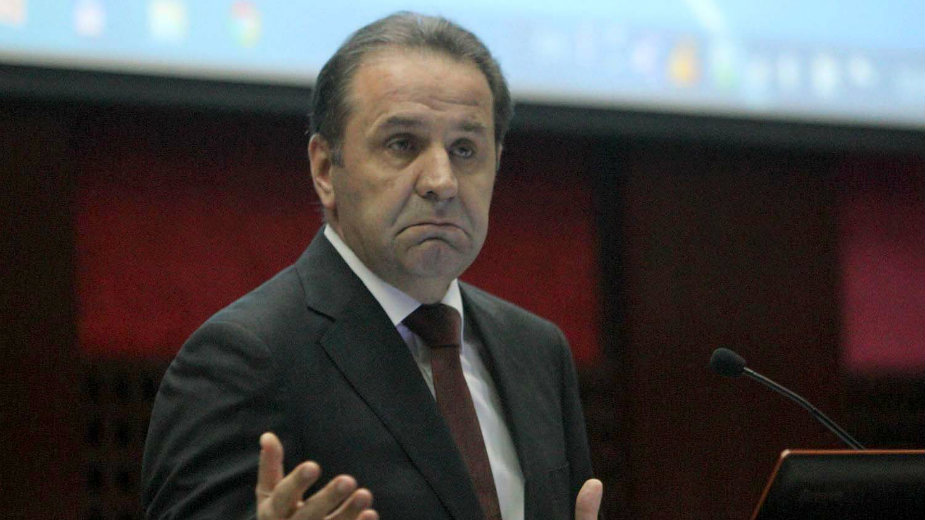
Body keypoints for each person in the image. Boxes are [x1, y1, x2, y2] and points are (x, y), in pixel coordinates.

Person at [142, 11, 602, 520]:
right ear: (325, 169)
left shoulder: (537, 351)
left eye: (465, 149)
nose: (442, 181)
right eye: (402, 144)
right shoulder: (243, 359)